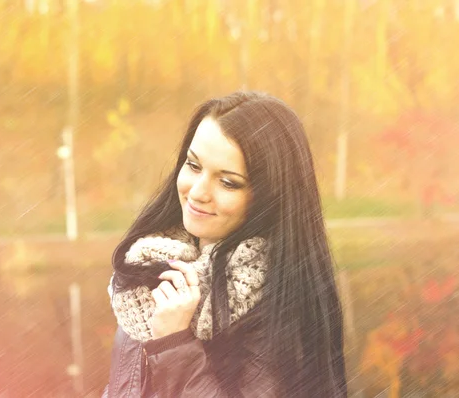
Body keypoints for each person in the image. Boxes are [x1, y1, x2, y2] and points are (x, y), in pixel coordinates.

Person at [102, 91, 347, 397]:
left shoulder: (277, 303)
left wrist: (175, 344)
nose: (198, 192)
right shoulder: (147, 274)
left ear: (270, 198)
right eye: (193, 166)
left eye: (228, 181)